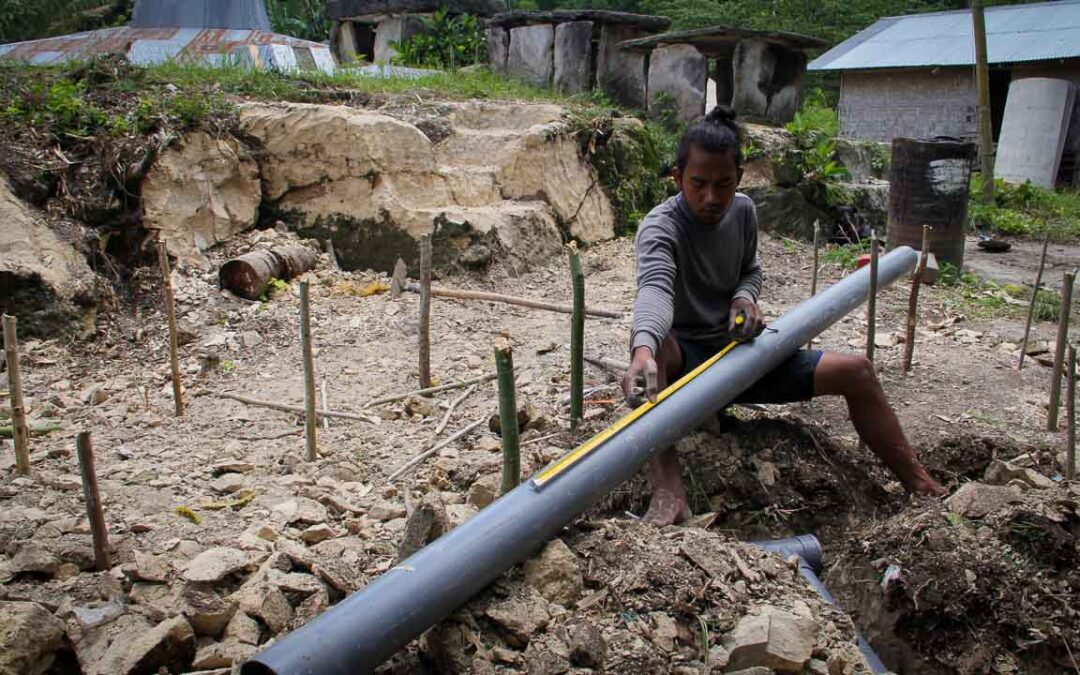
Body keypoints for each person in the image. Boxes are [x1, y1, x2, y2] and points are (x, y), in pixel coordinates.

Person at [622, 107, 946, 527]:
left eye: (724, 184)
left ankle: (919, 482)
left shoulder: (742, 212)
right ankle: (668, 490)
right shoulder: (660, 227)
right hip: (688, 367)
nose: (711, 198)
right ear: (677, 178)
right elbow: (656, 288)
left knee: (858, 371)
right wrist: (643, 348)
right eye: (698, 184)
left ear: (739, 176)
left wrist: (743, 299)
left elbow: (750, 272)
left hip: (742, 356)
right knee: (657, 352)